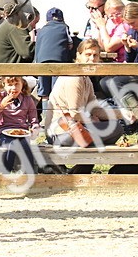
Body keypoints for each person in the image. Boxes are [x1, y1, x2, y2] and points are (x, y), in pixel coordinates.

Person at [47, 38, 125, 172]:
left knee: (114, 127)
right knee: (115, 129)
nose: (92, 59)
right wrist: (91, 119)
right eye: (88, 55)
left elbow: (95, 109)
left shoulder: (86, 78)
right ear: (78, 55)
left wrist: (122, 113)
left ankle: (80, 170)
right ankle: (81, 170)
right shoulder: (74, 78)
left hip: (75, 129)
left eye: (95, 55)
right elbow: (75, 114)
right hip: (60, 133)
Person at [0, 75, 41, 172]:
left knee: (26, 148)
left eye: (17, 84)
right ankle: (5, 172)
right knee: (10, 145)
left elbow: (34, 121)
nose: (14, 88)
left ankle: (30, 174)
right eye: (10, 85)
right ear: (4, 85)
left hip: (22, 132)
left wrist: (34, 130)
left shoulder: (27, 100)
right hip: (4, 131)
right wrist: (1, 107)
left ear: (22, 84)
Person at [34, 7, 74, 102]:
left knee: (44, 92)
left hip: (41, 62)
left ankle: (45, 110)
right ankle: (54, 111)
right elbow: (70, 44)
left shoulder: (41, 30)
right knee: (56, 90)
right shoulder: (64, 27)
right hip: (58, 61)